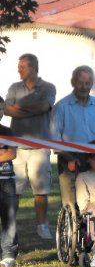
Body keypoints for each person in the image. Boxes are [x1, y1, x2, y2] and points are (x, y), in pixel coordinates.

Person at [3, 53, 56, 239]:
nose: (18, 69)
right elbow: (6, 109)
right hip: (16, 148)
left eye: (22, 67)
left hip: (40, 147)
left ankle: (42, 226)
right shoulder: (14, 87)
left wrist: (19, 108)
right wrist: (31, 110)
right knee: (14, 190)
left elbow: (44, 107)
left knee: (41, 191)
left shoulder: (48, 87)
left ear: (33, 67)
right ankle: (10, 226)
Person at [50, 65, 95, 207]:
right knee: (72, 201)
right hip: (70, 158)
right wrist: (70, 158)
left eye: (87, 83)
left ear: (92, 84)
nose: (84, 87)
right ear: (73, 82)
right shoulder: (62, 106)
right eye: (80, 83)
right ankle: (73, 221)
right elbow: (55, 139)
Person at [0, 96, 18, 267]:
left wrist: (4, 154)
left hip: (6, 180)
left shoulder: (7, 131)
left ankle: (8, 253)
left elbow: (11, 154)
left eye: (1, 109)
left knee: (8, 217)